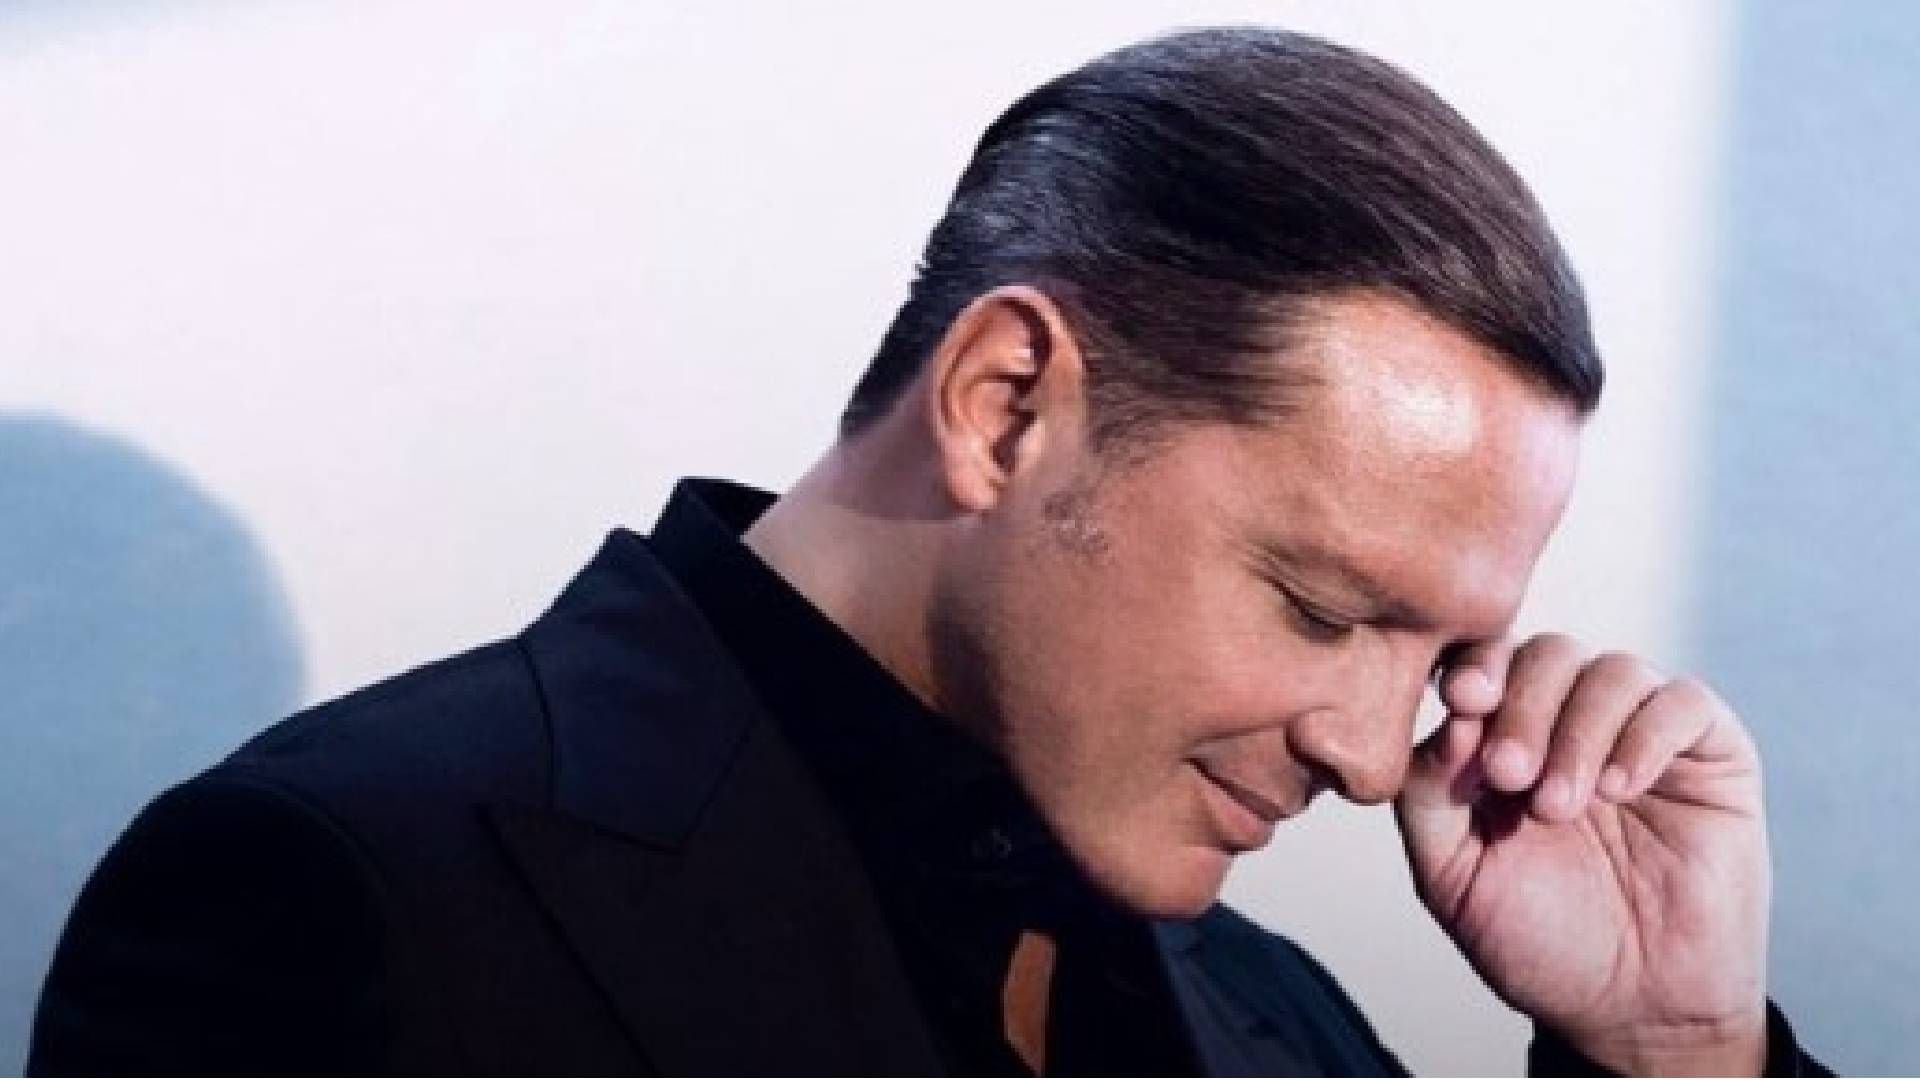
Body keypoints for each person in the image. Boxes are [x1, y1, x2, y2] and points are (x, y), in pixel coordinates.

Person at [29, 26, 1829, 1076]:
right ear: (1004, 400)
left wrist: (1675, 1053)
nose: (1375, 758)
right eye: (1320, 606)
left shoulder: (1283, 1023)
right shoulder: (340, 896)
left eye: (1439, 660)